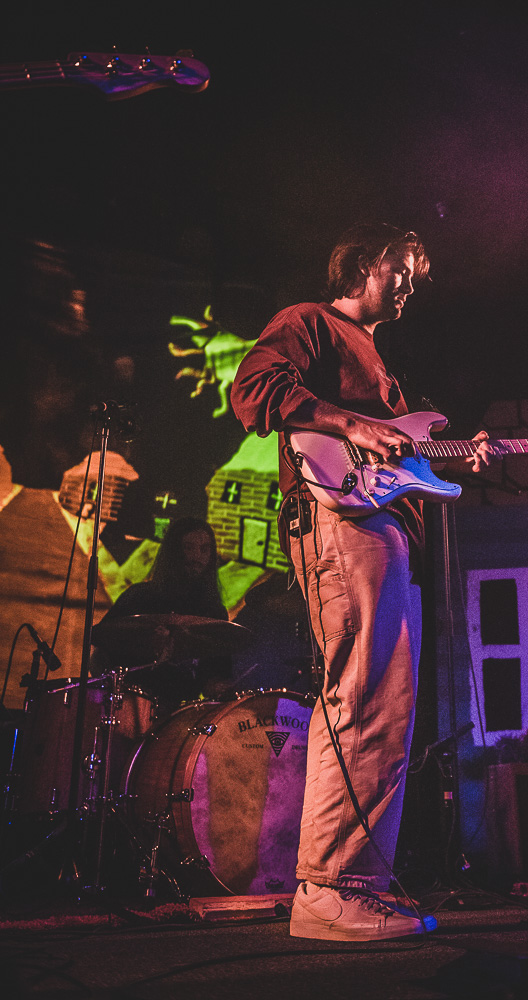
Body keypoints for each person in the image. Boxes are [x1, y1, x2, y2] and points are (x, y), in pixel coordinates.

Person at [231, 223, 493, 941]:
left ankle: (352, 885)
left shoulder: (380, 358)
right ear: (368, 261)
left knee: (382, 701)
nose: (413, 284)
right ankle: (329, 889)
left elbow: (396, 452)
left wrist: (447, 457)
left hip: (382, 531)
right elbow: (252, 389)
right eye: (404, 268)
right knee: (363, 694)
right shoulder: (307, 323)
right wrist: (352, 422)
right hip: (338, 524)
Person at [92, 517, 230, 715]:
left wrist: (216, 686)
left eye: (204, 549)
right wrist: (148, 646)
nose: (196, 557)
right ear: (174, 552)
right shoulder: (141, 597)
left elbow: (215, 672)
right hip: (131, 708)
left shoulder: (213, 612)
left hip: (182, 714)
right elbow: (102, 645)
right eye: (188, 548)